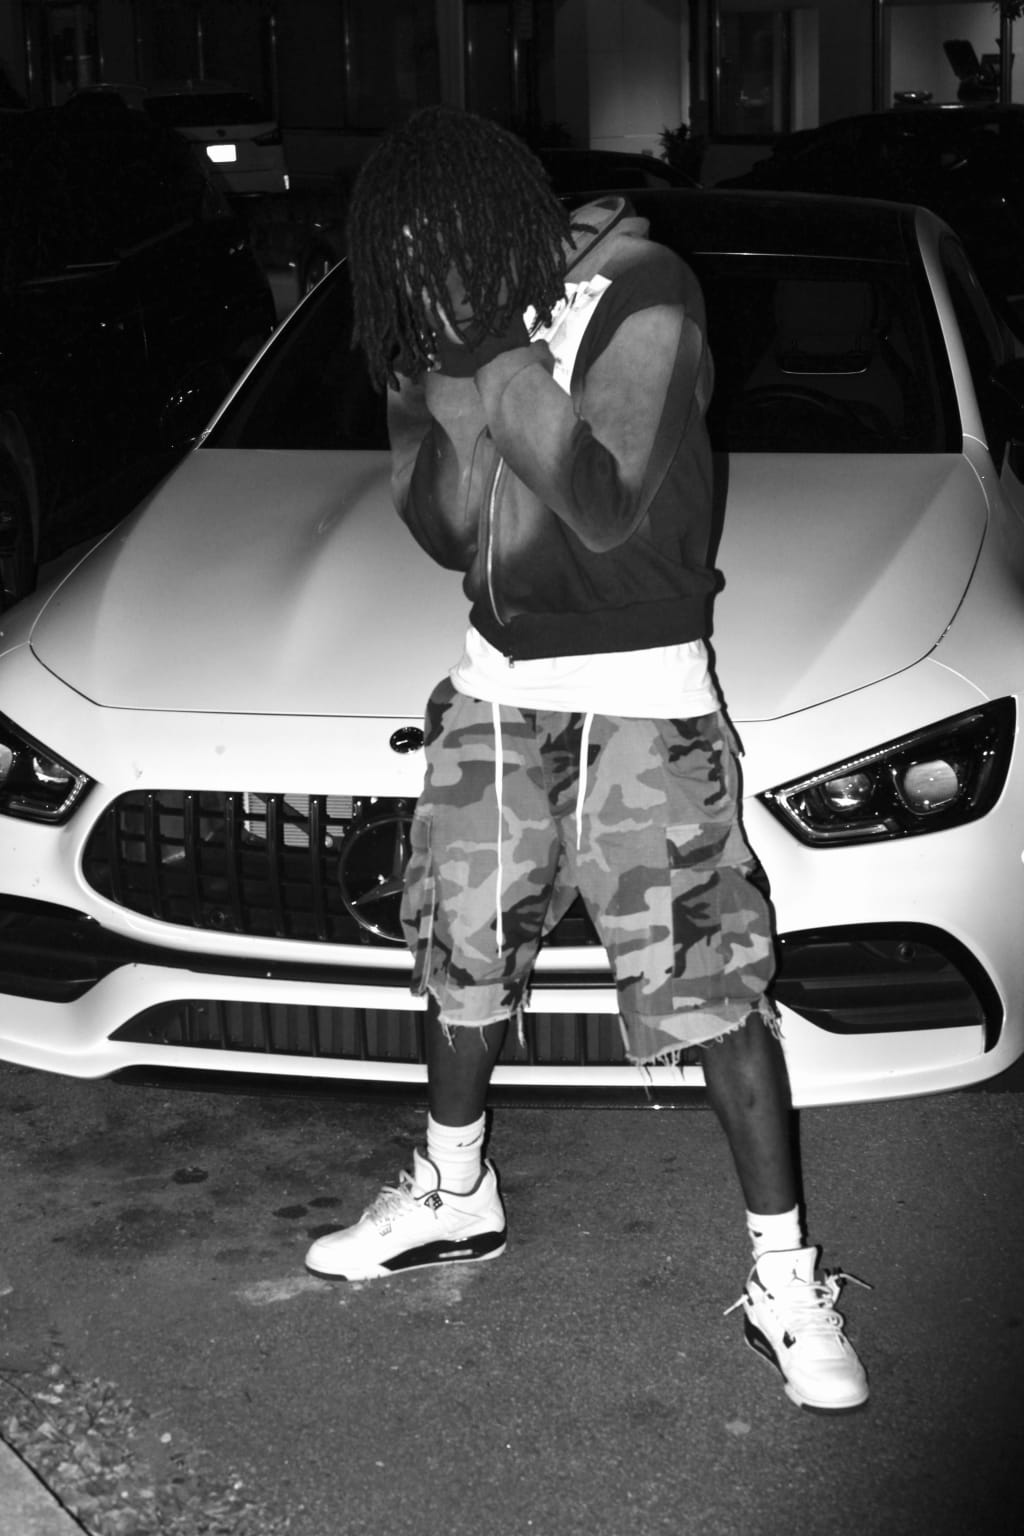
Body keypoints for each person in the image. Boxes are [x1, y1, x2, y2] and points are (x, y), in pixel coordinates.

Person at [305, 105, 868, 1414]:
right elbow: (452, 531)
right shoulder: (431, 338)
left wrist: (497, 355)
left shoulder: (639, 286)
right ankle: (454, 1190)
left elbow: (605, 503)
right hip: (496, 696)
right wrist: (446, 380)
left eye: (440, 236)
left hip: (647, 702)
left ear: (500, 208)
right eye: (402, 254)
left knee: (711, 990)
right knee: (458, 959)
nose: (425, 266)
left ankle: (786, 1278)